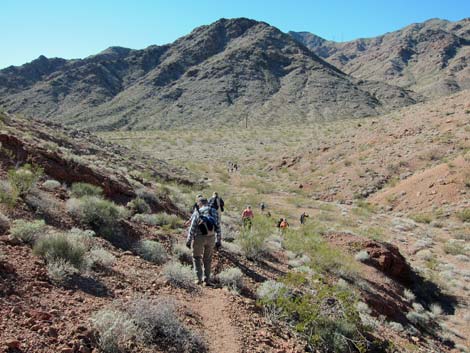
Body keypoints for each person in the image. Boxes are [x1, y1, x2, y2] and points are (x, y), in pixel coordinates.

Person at [186, 197, 221, 286]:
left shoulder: (198, 211)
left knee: (196, 257)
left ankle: (198, 279)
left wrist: (189, 240)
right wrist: (218, 240)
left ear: (199, 203)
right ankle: (207, 280)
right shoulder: (214, 211)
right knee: (208, 259)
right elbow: (218, 226)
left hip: (199, 237)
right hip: (211, 237)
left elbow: (193, 227)